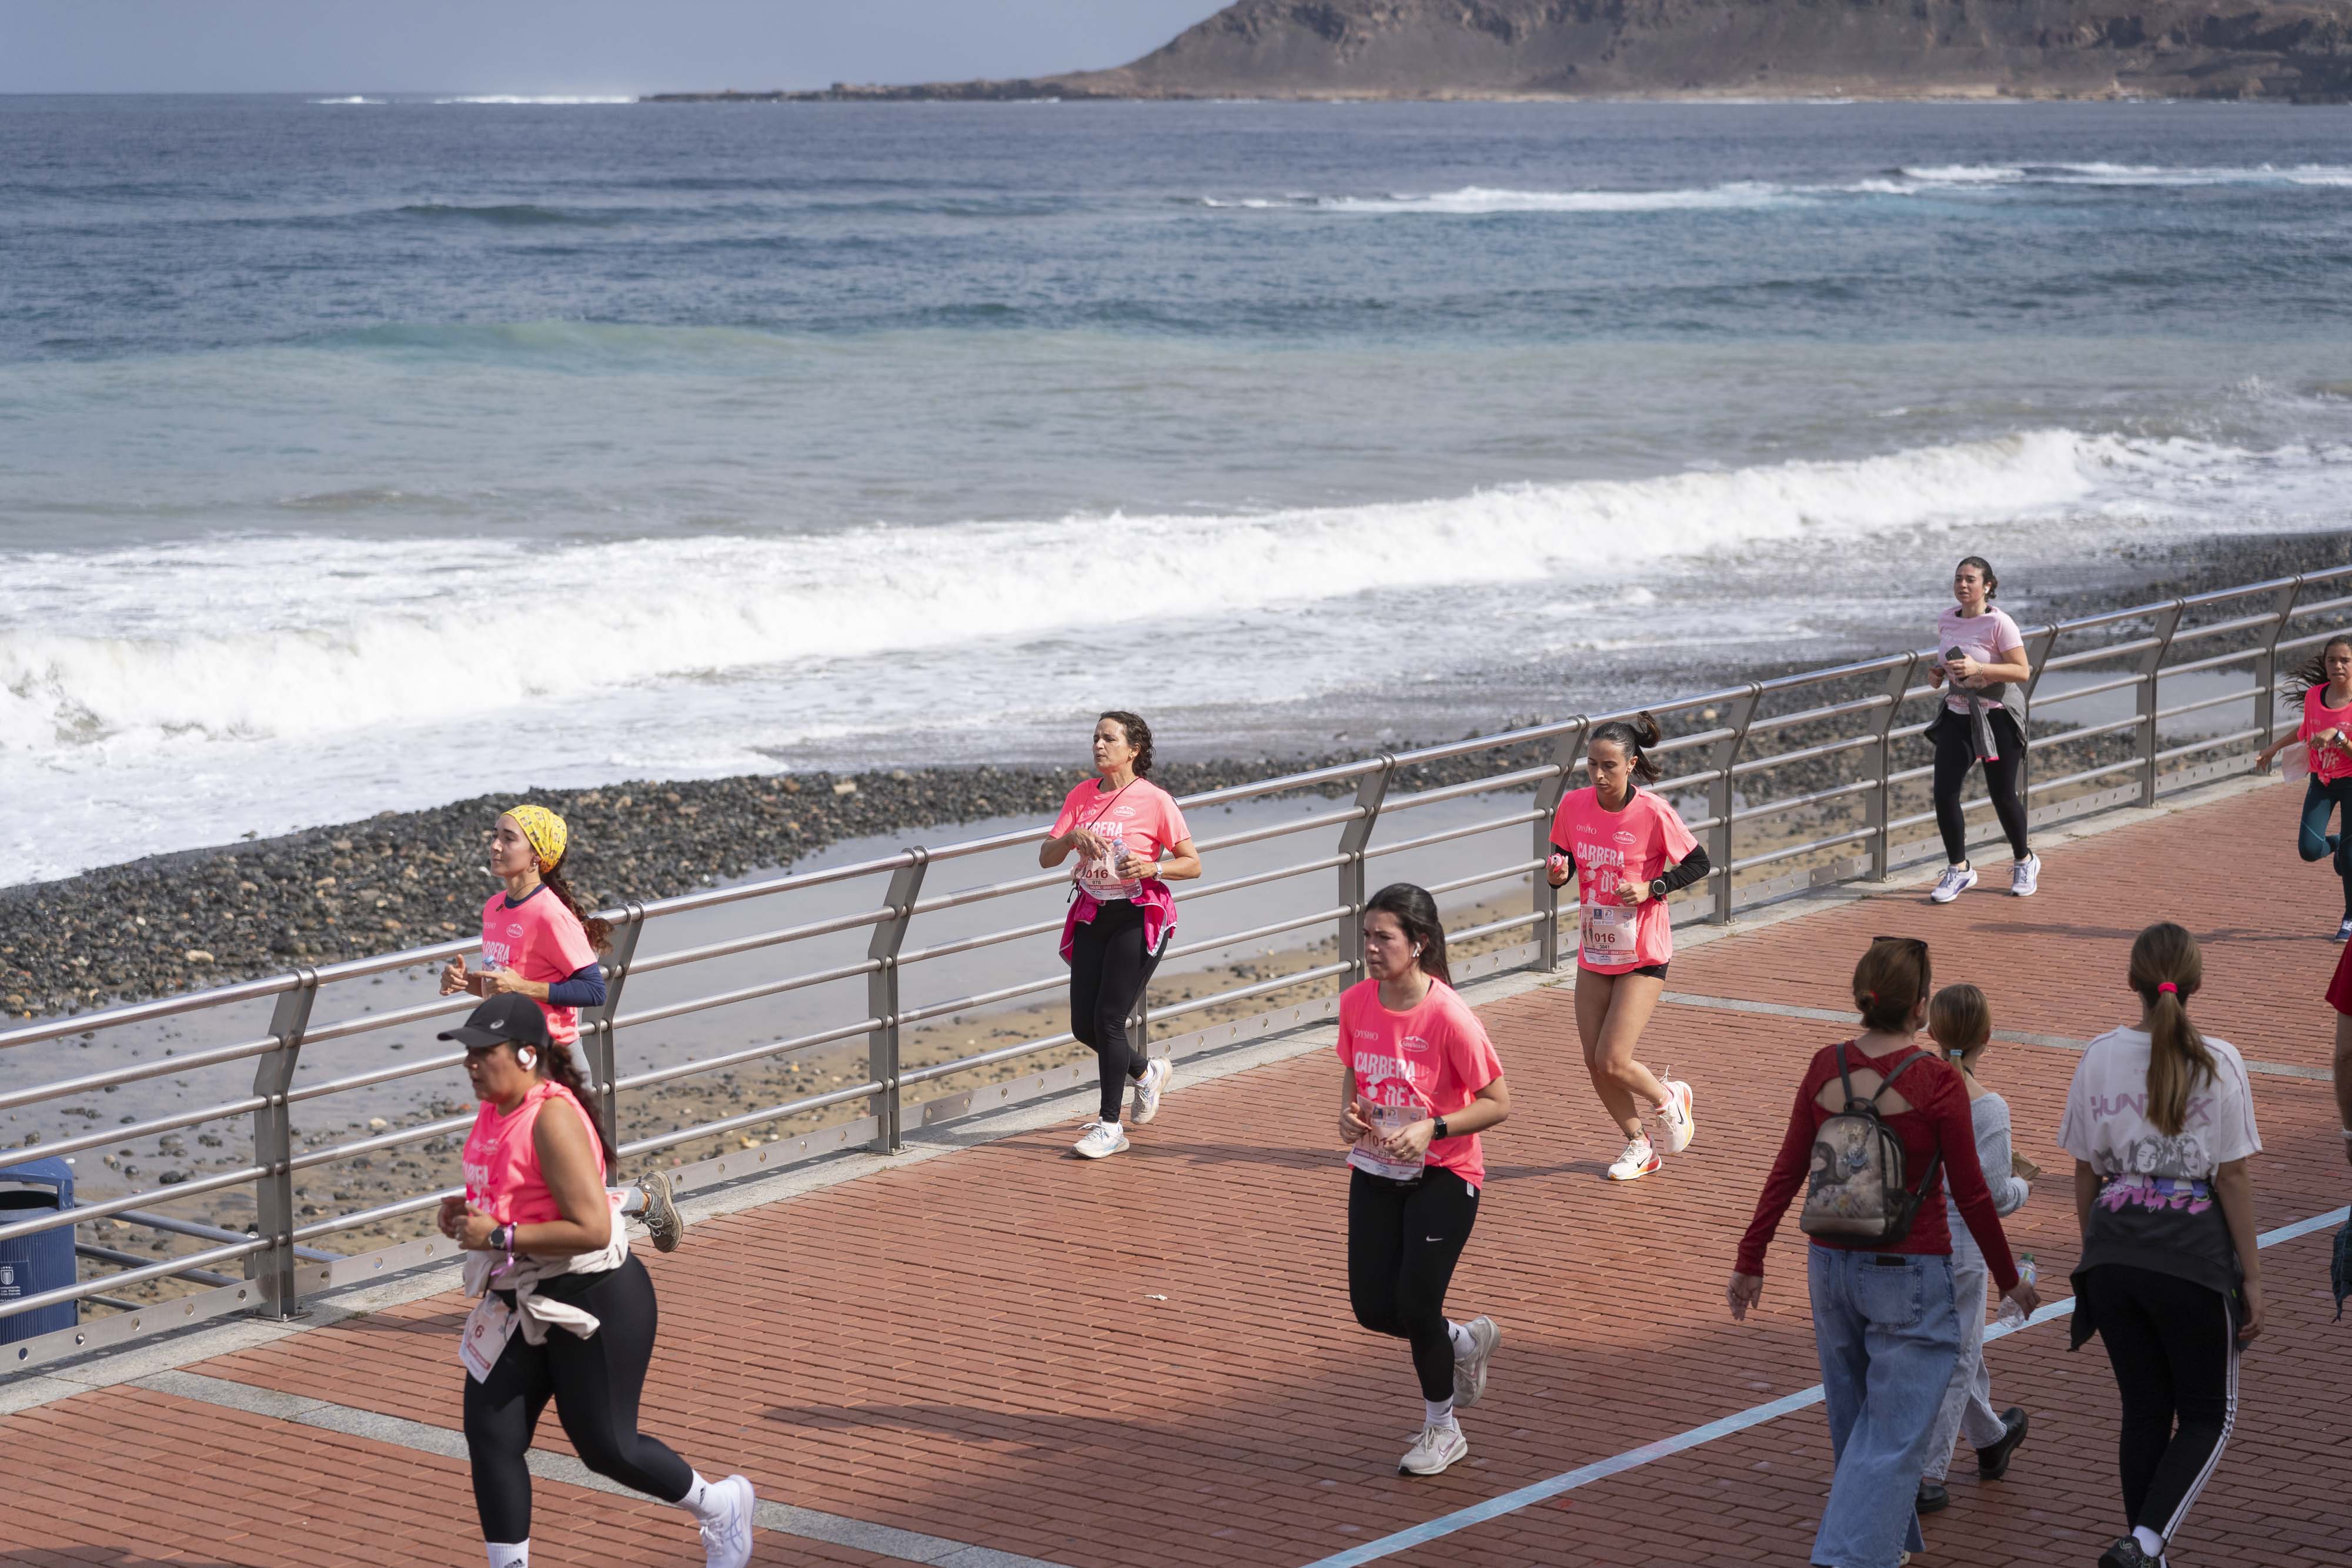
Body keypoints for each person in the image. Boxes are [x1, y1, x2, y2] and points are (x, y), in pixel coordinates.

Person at [1729, 936, 2037, 1568]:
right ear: (1919, 1005)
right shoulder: (1936, 1082)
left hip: (1829, 1264)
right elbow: (1974, 1195)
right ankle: (1846, 1558)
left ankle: (1888, 1540)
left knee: (1855, 1419)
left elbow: (1786, 1170)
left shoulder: (1824, 1067)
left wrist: (1750, 1260)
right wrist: (2009, 1278)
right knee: (1895, 1435)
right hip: (1909, 1271)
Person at [437, 993, 755, 1568]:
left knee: (607, 1448)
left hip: (595, 1299)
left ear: (528, 1055)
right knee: (491, 1436)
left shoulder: (551, 1117)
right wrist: (468, 1209)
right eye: (468, 1053)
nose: (472, 1063)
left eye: (484, 1052)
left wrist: (500, 1236)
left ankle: (721, 1506)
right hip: (521, 1298)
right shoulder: (495, 1108)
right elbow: (518, 1191)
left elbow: (588, 1226)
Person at [2059, 922, 2263, 1568]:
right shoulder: (2221, 1061)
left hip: (2114, 1250)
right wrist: (2252, 1276)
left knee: (2144, 1409)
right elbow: (2230, 1175)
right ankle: (2145, 1543)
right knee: (2209, 1416)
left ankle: (2141, 1547)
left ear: (2133, 982)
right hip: (2191, 1259)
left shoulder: (2097, 1055)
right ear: (2194, 982)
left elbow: (2085, 1170)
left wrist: (2096, 1251)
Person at [440, 804, 681, 1250]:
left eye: (508, 838)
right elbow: (504, 990)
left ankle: (646, 1200)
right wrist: (466, 983)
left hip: (556, 1065)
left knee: (575, 1190)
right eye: (494, 835)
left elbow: (593, 990)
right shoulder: (494, 907)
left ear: (537, 856)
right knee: (527, 1179)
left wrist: (525, 985)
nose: (494, 845)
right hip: (513, 1065)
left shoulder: (550, 914)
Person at [1338, 884, 1509, 1478]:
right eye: (1367, 936)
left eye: (1383, 937)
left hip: (1445, 1173)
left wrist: (1433, 1128)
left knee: (1416, 1303)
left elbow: (1497, 1102)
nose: (1371, 948)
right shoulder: (1357, 1002)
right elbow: (1353, 1078)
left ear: (1419, 944)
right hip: (1377, 1169)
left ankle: (1443, 1428)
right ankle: (1463, 1341)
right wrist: (1348, 1115)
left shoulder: (1448, 1015)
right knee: (1370, 1307)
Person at [1546, 713, 1706, 1181]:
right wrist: (1558, 874)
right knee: (1594, 1059)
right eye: (1592, 764)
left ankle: (1667, 1097)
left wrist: (1653, 886)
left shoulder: (1654, 812)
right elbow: (1564, 862)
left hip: (1644, 952)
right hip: (1595, 950)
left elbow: (1699, 863)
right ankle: (1639, 1144)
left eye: (1609, 765)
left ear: (1631, 764)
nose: (1599, 775)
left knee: (1613, 1058)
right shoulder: (1573, 806)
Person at [1040, 712, 1202, 1159]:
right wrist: (1072, 836)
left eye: (1109, 738)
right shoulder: (1080, 795)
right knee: (1083, 1024)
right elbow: (1045, 857)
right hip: (1094, 913)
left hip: (1138, 914)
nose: (1098, 745)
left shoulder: (1155, 800)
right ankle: (1147, 1072)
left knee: (1110, 1019)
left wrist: (1155, 866)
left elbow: (1193, 862)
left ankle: (1110, 1125)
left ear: (1133, 750)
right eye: (1095, 737)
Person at [1914, 983, 2032, 1516]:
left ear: (1933, 1032)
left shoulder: (1914, 1086)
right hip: (1962, 1243)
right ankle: (1928, 1472)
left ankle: (1990, 1438)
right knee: (1958, 1354)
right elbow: (1991, 1193)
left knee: (1957, 1345)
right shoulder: (1990, 1107)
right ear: (1988, 1035)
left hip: (1915, 1234)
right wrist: (2025, 1185)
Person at [1926, 556, 2040, 904]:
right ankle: (1959, 869)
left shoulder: (2000, 623)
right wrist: (1938, 673)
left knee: (2002, 794)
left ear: (1987, 585)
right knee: (1944, 793)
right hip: (1958, 712)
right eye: (1958, 578)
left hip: (1998, 715)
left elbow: (2022, 671)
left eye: (1971, 580)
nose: (1963, 585)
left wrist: (1981, 667)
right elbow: (1949, 659)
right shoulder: (1948, 619)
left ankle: (2025, 859)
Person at [2253, 631, 2352, 940]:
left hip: (2351, 783)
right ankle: (2336, 844)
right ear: (2324, 665)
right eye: (2332, 660)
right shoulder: (2314, 697)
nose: (2338, 666)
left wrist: (2338, 737)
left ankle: (2350, 918)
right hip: (2321, 782)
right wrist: (2272, 749)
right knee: (2309, 850)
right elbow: (2304, 730)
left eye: (2345, 661)